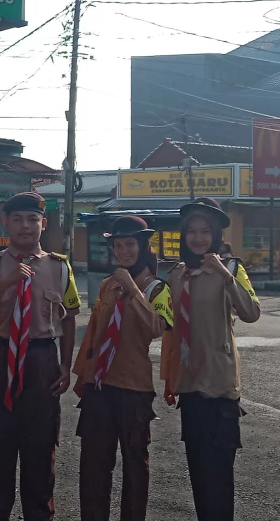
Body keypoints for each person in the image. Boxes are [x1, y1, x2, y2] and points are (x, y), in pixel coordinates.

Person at [0, 192, 81, 521]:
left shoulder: (59, 267)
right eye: (18, 219)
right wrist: (9, 282)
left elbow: (70, 315)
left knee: (40, 455)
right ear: (7, 224)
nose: (25, 226)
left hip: (41, 361)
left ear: (43, 224)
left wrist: (65, 365)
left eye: (32, 219)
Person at [161, 197, 261, 521]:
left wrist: (225, 274)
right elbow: (167, 327)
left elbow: (251, 312)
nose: (199, 237)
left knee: (219, 478)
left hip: (219, 388)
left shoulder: (232, 269)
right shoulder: (177, 275)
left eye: (206, 230)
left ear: (216, 234)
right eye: (192, 231)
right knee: (199, 478)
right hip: (189, 386)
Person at [71, 215, 172, 521]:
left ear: (143, 246)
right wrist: (83, 377)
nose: (124, 251)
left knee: (135, 464)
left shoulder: (157, 287)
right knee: (93, 465)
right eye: (118, 245)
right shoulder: (106, 285)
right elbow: (94, 334)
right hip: (100, 386)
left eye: (130, 244)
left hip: (134, 387)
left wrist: (133, 290)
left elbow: (158, 327)